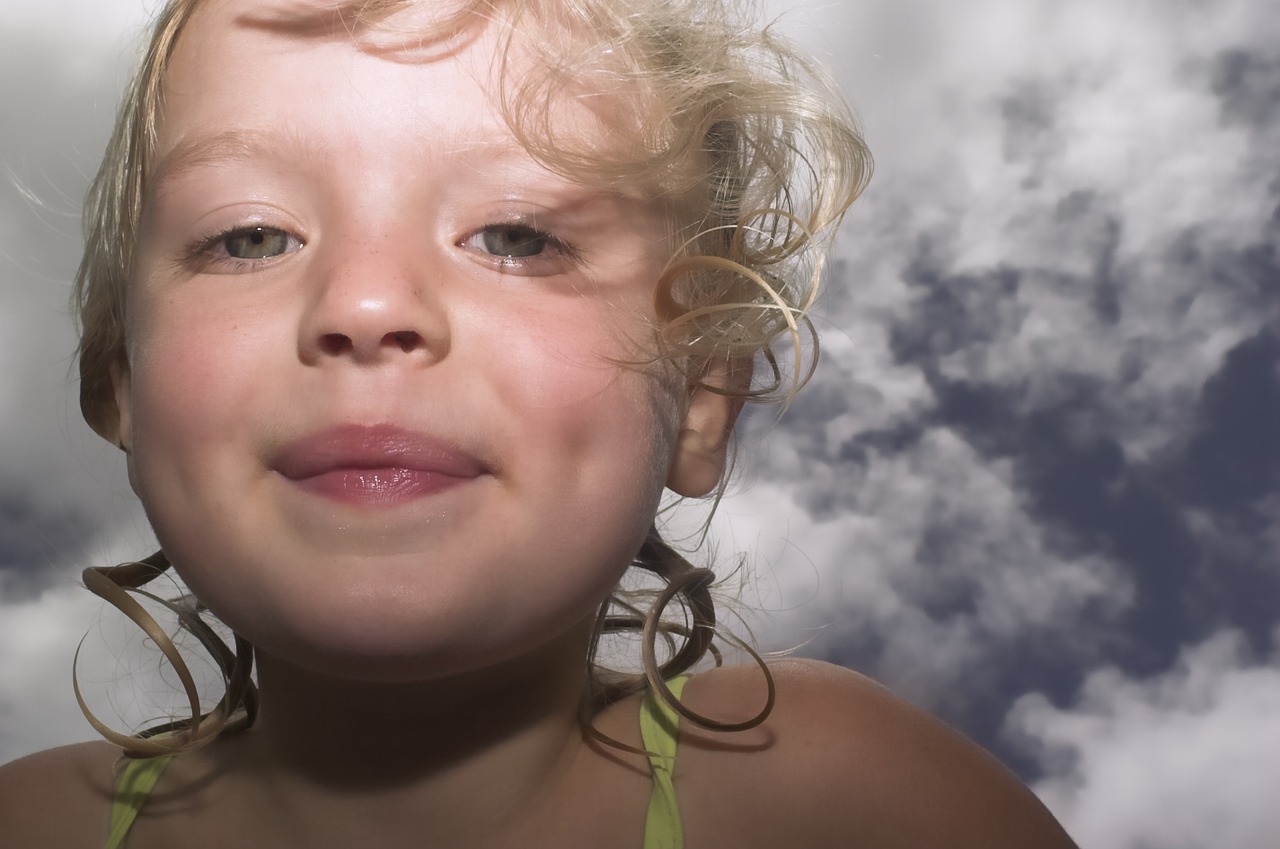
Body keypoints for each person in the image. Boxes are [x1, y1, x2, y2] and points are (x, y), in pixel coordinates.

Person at [0, 0, 1078, 846]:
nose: (366, 307)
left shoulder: (843, 804)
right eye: (249, 237)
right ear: (123, 384)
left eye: (515, 236)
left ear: (702, 399)